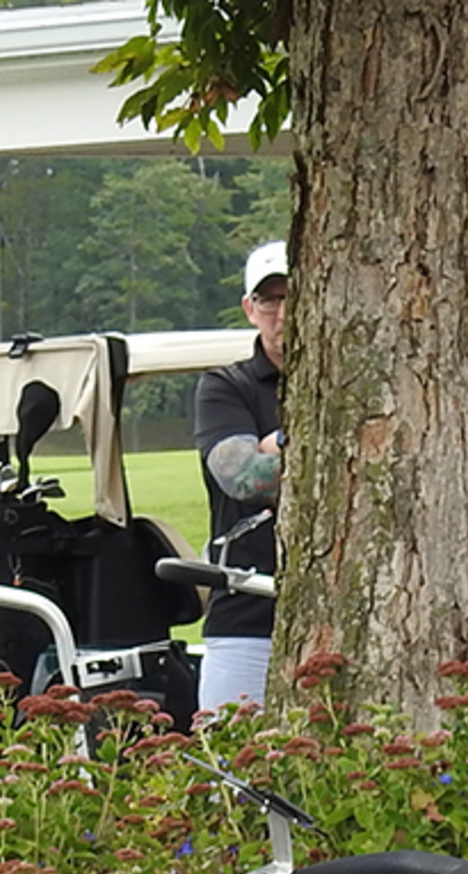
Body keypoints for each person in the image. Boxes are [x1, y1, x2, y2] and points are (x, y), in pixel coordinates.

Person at [192, 239, 288, 712]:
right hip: (248, 620)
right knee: (234, 754)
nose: (284, 312)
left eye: (297, 295)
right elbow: (244, 478)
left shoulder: (359, 387)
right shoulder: (225, 387)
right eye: (271, 299)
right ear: (251, 309)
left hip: (349, 618)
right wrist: (304, 441)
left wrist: (275, 443)